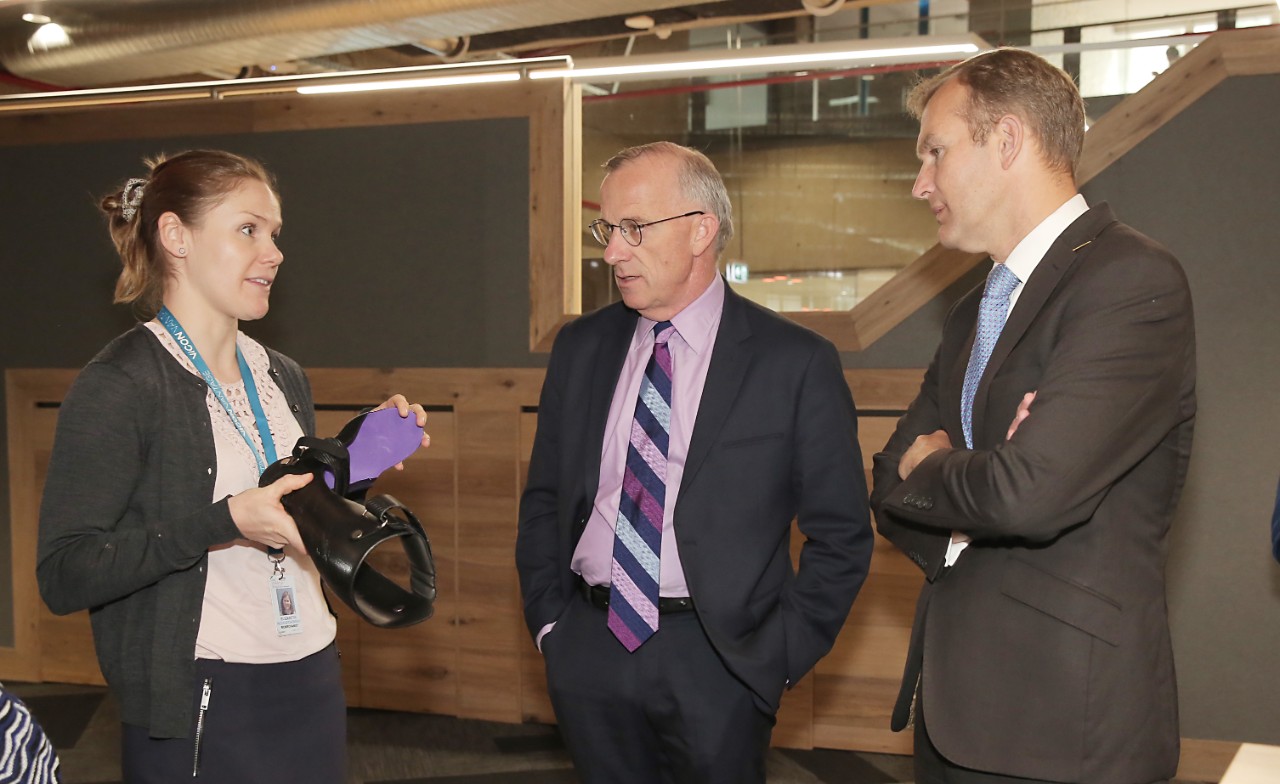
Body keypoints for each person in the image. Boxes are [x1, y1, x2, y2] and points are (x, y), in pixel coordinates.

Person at [36, 149, 429, 784]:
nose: (272, 253)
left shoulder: (280, 373)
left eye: (274, 234)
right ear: (175, 237)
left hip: (310, 669)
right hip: (204, 689)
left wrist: (358, 461)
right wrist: (223, 523)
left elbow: (287, 505)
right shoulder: (120, 384)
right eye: (248, 229)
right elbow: (64, 572)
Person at [870, 49, 1196, 783]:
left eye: (936, 152)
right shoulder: (969, 311)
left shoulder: (1130, 281)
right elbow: (889, 482)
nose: (922, 183)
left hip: (1063, 733)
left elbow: (1030, 493)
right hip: (951, 714)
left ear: (1008, 140)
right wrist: (974, 482)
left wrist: (943, 468)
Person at [516, 141, 873, 783]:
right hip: (589, 644)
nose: (612, 251)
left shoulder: (794, 363)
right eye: (607, 229)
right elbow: (545, 498)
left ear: (701, 230)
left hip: (720, 659)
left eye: (633, 228)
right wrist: (551, 626)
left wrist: (775, 658)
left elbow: (842, 536)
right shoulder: (580, 347)